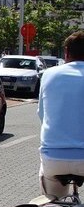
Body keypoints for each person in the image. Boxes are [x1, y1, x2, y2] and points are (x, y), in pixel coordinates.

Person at [37, 30, 84, 197]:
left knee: (52, 202)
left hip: (53, 157)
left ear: (66, 53)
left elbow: (42, 114)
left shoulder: (49, 74)